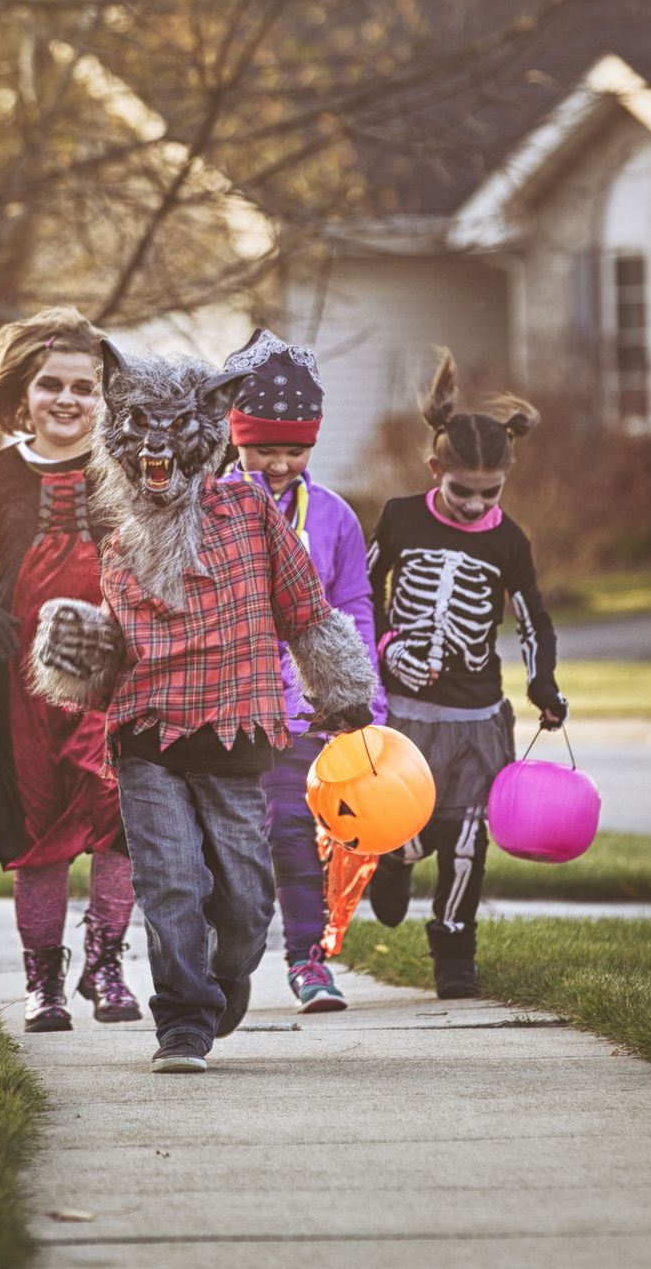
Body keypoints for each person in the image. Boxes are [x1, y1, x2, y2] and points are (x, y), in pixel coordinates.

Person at [29, 342, 378, 1074]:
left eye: (174, 434)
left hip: (238, 735)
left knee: (247, 905)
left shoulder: (249, 510)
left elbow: (307, 610)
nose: (157, 452)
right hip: (148, 740)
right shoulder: (121, 539)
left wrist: (343, 695)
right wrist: (78, 651)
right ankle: (182, 1023)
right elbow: (116, 655)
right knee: (172, 883)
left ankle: (224, 978)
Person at [0, 308, 139, 1035]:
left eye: (85, 387)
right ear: (23, 394)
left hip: (115, 676)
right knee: (35, 831)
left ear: (105, 398)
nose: (68, 400)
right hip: (22, 687)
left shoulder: (128, 467)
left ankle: (107, 963)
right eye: (51, 386)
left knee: (119, 821)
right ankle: (43, 981)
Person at [364, 351, 567, 999]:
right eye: (462, 491)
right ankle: (392, 861)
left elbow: (532, 617)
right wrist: (385, 648)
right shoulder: (400, 517)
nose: (477, 505)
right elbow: (360, 594)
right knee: (406, 826)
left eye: (491, 493)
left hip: (477, 718)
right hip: (405, 713)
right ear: (435, 470)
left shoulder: (508, 540)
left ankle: (454, 944)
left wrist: (544, 685)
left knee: (466, 838)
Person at [217, 328, 383, 1013]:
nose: (280, 463)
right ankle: (221, 964)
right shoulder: (209, 506)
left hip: (299, 713)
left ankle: (307, 961)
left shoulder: (335, 518)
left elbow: (353, 609)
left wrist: (361, 702)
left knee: (292, 831)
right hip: (221, 710)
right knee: (226, 849)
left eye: (294, 449)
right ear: (235, 439)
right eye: (264, 448)